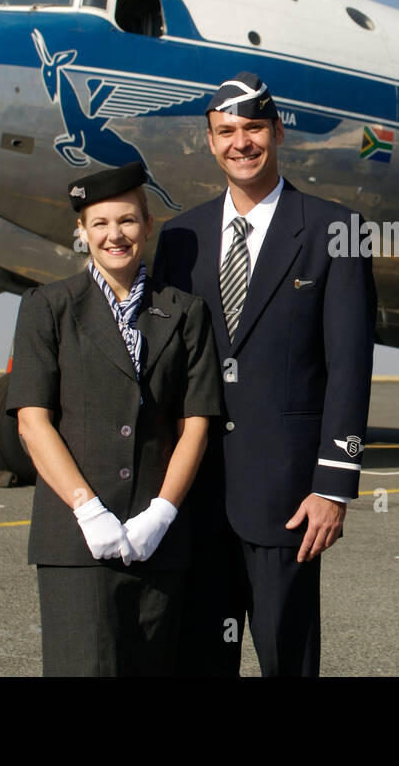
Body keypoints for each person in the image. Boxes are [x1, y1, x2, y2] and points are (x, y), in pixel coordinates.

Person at [155, 72, 376, 677]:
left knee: (287, 657)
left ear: (278, 132)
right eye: (226, 131)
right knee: (199, 659)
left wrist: (333, 486)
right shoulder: (179, 238)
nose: (241, 142)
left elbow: (350, 368)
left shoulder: (338, 230)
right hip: (193, 496)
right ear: (209, 142)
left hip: (288, 498)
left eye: (253, 128)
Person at [6, 162, 222, 676]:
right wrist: (88, 510)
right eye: (99, 224)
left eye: (127, 221)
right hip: (75, 542)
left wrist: (162, 513)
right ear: (81, 233)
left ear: (148, 227)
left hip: (159, 543)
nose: (114, 235)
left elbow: (196, 424)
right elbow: (32, 422)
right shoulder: (48, 307)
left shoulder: (185, 313)